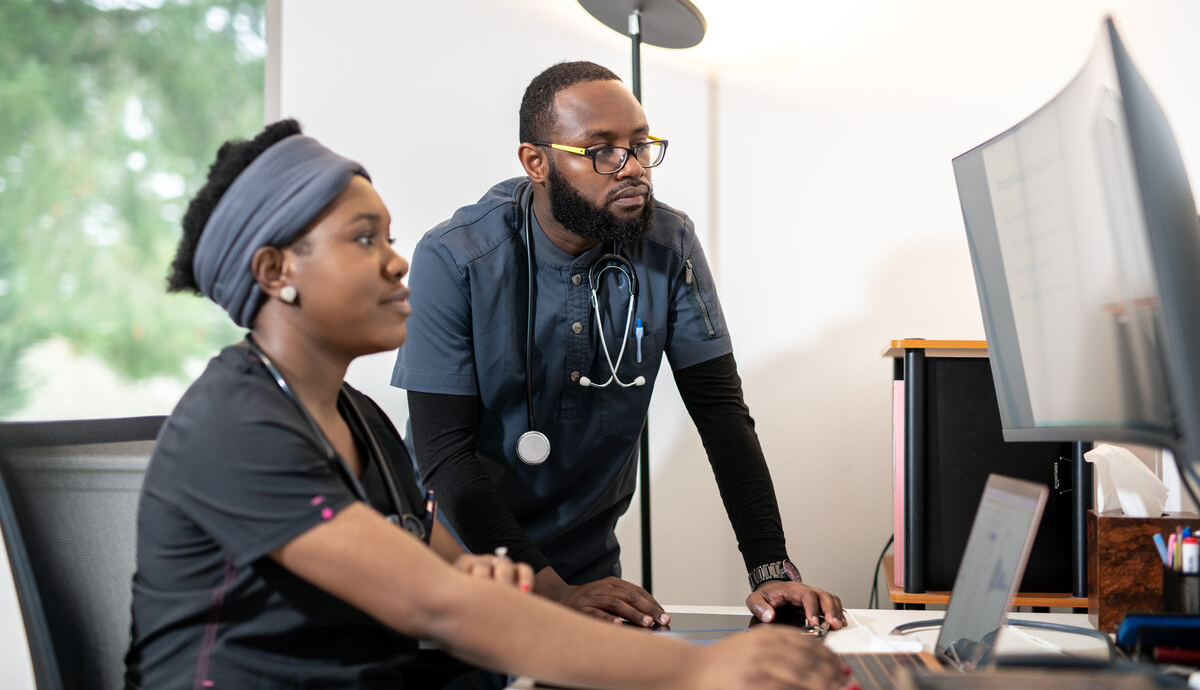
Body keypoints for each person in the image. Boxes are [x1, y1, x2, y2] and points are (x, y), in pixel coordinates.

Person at [123, 119, 852, 690]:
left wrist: (502, 582)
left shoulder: (361, 422)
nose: (398, 259)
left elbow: (448, 579)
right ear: (276, 271)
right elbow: (434, 606)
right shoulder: (237, 422)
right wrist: (700, 670)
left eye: (389, 236)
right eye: (363, 237)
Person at [392, 61, 846, 629]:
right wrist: (549, 592)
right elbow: (443, 456)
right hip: (458, 562)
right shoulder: (455, 257)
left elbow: (721, 414)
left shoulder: (669, 243)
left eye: (639, 144)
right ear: (537, 162)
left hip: (584, 568)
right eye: (601, 150)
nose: (631, 168)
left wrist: (770, 569)